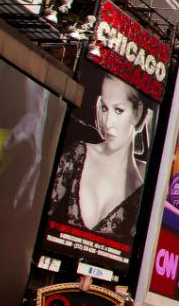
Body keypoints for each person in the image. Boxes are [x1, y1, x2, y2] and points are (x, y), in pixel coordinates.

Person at [42, 74, 151, 244]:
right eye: (105, 108)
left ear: (137, 113)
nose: (108, 123)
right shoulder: (78, 154)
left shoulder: (143, 188)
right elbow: (36, 217)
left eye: (119, 110)